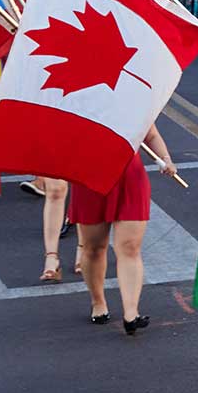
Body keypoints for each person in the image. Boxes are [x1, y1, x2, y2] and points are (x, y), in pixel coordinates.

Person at [74, 120, 175, 333]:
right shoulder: (78, 101)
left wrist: (165, 158)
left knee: (129, 247)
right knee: (93, 248)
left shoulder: (133, 92)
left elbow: (152, 134)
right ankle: (98, 302)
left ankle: (131, 313)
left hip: (130, 177)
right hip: (89, 175)